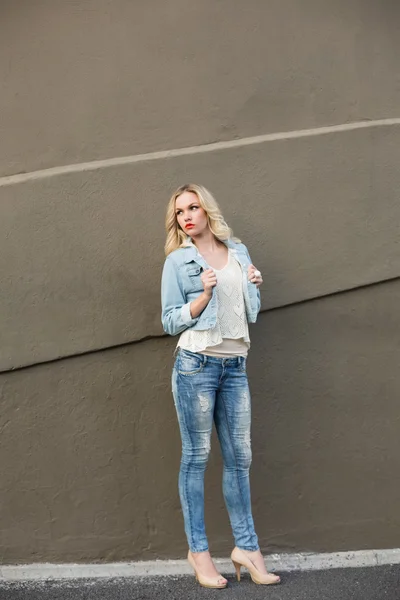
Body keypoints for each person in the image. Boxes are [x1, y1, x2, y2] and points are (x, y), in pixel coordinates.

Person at [161, 183, 280, 589]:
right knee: (197, 457)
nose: (188, 216)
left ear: (207, 210)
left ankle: (246, 548)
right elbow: (169, 320)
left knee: (240, 458)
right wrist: (203, 295)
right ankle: (199, 552)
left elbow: (248, 313)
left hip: (235, 365)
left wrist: (255, 287)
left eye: (193, 207)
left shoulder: (239, 251)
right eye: (180, 212)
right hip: (195, 364)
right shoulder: (178, 261)